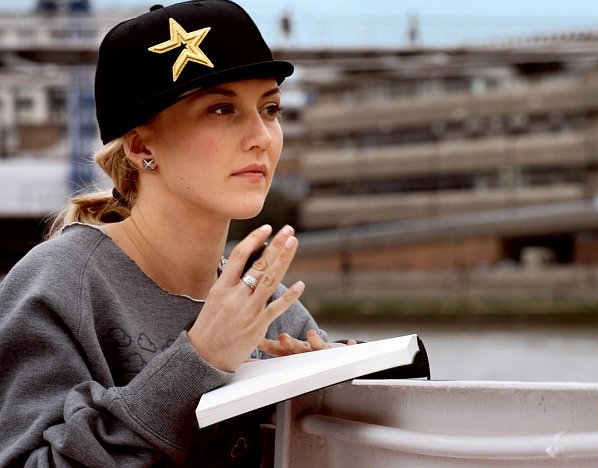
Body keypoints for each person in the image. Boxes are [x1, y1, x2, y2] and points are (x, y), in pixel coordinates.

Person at [0, 1, 352, 465]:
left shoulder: (270, 310)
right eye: (222, 109)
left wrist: (331, 390)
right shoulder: (60, 286)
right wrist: (200, 359)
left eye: (270, 109)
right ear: (141, 144)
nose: (263, 137)